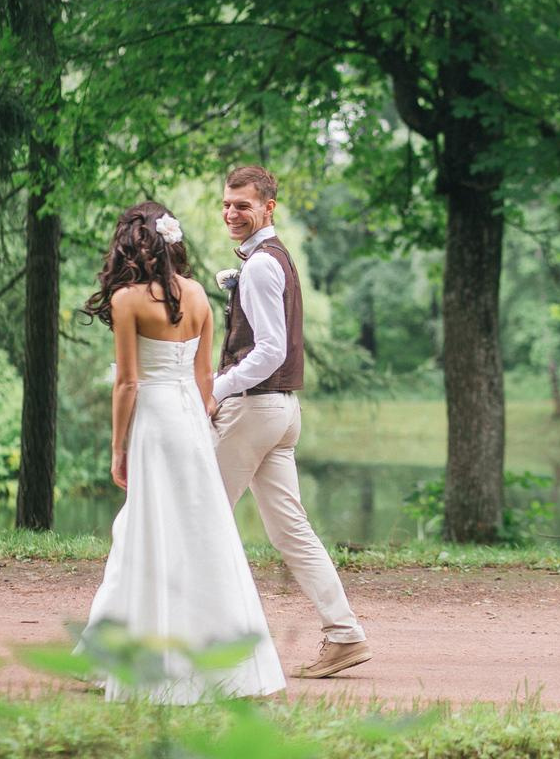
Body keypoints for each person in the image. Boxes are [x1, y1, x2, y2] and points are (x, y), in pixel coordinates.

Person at [80, 201, 286, 703]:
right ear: (172, 242)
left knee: (150, 528)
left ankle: (139, 654)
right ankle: (221, 659)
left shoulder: (128, 300)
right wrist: (201, 422)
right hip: (191, 420)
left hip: (153, 420)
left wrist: (117, 447)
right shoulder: (197, 294)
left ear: (130, 243)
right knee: (201, 530)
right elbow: (204, 381)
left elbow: (127, 383)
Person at [206, 165, 371, 679]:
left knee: (197, 515)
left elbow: (270, 350)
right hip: (282, 413)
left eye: (243, 205)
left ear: (268, 206)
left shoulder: (261, 265)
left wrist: (216, 388)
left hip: (253, 409)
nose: (232, 213)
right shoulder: (271, 259)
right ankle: (345, 635)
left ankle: (202, 641)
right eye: (228, 204)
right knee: (292, 532)